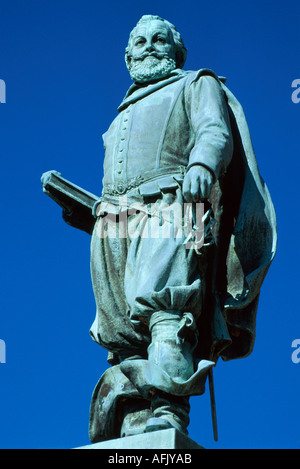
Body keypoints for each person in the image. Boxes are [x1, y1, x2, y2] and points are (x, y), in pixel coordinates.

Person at [87, 15, 277, 442]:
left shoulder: (195, 83)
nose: (150, 46)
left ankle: (170, 412)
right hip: (115, 221)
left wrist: (202, 164)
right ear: (128, 54)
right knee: (123, 332)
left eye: (160, 39)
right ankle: (136, 420)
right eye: (140, 41)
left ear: (177, 51)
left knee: (166, 310)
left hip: (174, 206)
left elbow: (215, 131)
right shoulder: (120, 113)